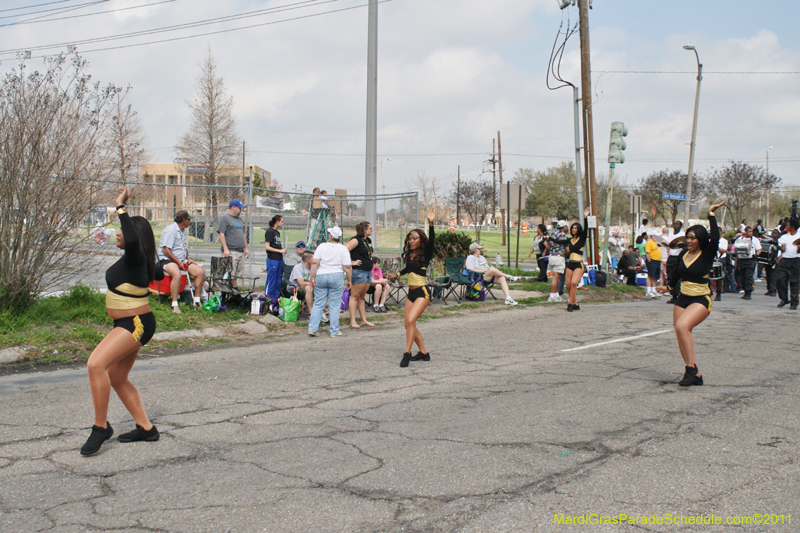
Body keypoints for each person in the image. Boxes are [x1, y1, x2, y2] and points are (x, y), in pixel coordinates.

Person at [82, 187, 164, 456]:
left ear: (135, 238)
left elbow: (129, 238)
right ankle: (146, 428)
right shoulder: (137, 260)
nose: (117, 233)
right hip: (130, 323)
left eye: (122, 230)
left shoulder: (135, 255)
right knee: (117, 377)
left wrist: (120, 206)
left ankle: (100, 427)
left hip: (135, 323)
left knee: (96, 364)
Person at [656, 199, 727, 387]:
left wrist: (711, 214)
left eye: (693, 237)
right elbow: (676, 275)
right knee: (681, 333)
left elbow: (714, 237)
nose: (689, 240)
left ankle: (691, 370)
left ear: (700, 240)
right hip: (682, 298)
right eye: (687, 237)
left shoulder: (707, 253)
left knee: (682, 327)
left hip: (701, 300)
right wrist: (667, 287)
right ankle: (695, 373)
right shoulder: (683, 255)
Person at [387, 213, 436, 367]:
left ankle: (406, 353)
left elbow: (433, 241)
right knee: (408, 325)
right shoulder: (410, 254)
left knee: (411, 320)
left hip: (423, 292)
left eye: (415, 238)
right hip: (411, 293)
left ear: (421, 240)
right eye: (410, 238)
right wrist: (397, 274)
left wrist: (431, 223)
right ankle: (424, 353)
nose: (412, 241)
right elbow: (409, 268)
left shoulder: (425, 253)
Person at [308, 227, 352, 336]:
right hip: (336, 275)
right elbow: (347, 267)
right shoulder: (343, 249)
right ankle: (334, 330)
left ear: (330, 236)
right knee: (335, 305)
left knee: (318, 303)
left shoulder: (321, 247)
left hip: (321, 275)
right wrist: (349, 280)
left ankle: (312, 328)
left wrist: (312, 278)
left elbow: (314, 263)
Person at [158, 209, 205, 313]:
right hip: (167, 260)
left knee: (200, 272)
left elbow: (183, 247)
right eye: (188, 219)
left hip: (182, 260)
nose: (189, 221)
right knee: (177, 274)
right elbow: (165, 249)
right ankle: (174, 304)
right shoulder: (170, 231)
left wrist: (188, 258)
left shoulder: (183, 231)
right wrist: (178, 263)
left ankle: (196, 301)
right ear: (183, 220)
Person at [548, 207, 591, 311]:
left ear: (579, 229)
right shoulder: (569, 240)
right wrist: (549, 238)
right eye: (572, 228)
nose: (573, 229)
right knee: (568, 285)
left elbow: (586, 229)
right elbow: (559, 242)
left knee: (573, 283)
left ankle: (570, 303)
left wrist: (586, 217)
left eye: (576, 228)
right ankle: (575, 303)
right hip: (570, 264)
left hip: (578, 264)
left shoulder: (582, 239)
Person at [345, 221, 376, 328]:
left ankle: (363, 320)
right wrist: (351, 262)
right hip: (358, 271)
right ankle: (353, 320)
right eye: (370, 228)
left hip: (367, 271)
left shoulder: (367, 240)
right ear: (364, 230)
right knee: (354, 296)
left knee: (361, 297)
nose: (372, 230)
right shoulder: (355, 240)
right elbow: (344, 251)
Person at [217, 200, 249, 287]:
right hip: (231, 251)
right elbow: (221, 234)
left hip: (240, 251)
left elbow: (243, 235)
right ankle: (232, 293)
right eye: (239, 208)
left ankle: (234, 291)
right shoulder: (225, 218)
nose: (241, 210)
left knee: (237, 274)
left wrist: (246, 248)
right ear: (233, 207)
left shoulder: (239, 219)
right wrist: (225, 249)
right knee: (231, 274)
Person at [775, 218, 800, 310]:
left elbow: (798, 251)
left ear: (792, 227)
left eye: (788, 225)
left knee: (794, 282)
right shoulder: (784, 237)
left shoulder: (799, 235)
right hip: (785, 260)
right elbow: (783, 249)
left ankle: (794, 302)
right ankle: (784, 299)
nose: (786, 226)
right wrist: (777, 246)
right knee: (780, 280)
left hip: (795, 260)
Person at [732, 226, 761, 300]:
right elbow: (735, 248)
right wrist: (735, 254)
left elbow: (759, 249)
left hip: (750, 260)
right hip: (741, 260)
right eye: (749, 232)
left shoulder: (755, 240)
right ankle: (744, 290)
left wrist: (756, 255)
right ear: (745, 232)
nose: (751, 233)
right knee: (742, 276)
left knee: (748, 277)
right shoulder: (739, 239)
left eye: (751, 232)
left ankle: (748, 292)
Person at [264, 215, 287, 300]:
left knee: (278, 281)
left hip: (279, 259)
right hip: (273, 259)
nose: (282, 223)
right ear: (276, 221)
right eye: (281, 221)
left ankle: (275, 299)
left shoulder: (277, 232)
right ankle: (267, 298)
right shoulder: (270, 232)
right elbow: (267, 246)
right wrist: (279, 251)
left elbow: (276, 245)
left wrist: (282, 250)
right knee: (271, 280)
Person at [288, 250, 317, 317]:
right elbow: (301, 283)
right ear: (308, 260)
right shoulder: (298, 268)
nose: (315, 260)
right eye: (314, 258)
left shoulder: (313, 268)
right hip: (295, 288)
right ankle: (311, 313)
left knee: (324, 287)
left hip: (310, 286)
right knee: (308, 288)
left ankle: (322, 310)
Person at [546, 221, 569, 302]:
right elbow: (567, 248)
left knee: (554, 277)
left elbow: (546, 243)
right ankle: (552, 296)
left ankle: (556, 295)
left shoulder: (552, 233)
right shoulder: (564, 235)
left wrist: (551, 250)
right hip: (559, 257)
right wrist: (566, 254)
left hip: (551, 256)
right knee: (556, 278)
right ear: (564, 227)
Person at [664, 220, 685, 304]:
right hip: (671, 257)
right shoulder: (670, 234)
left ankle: (678, 294)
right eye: (674, 224)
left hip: (678, 257)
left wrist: (682, 246)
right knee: (670, 276)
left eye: (677, 224)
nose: (675, 225)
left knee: (677, 276)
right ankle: (673, 295)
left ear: (680, 226)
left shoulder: (682, 235)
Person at [644, 233, 663, 297]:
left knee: (655, 276)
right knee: (650, 275)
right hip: (652, 260)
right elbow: (647, 252)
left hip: (658, 261)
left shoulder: (657, 243)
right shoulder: (649, 243)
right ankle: (648, 290)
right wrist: (649, 260)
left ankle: (653, 290)